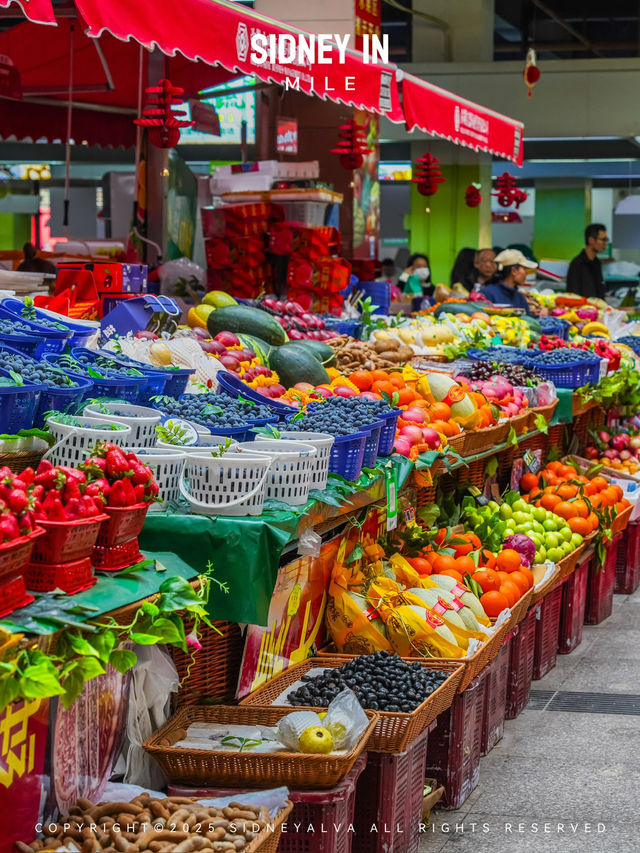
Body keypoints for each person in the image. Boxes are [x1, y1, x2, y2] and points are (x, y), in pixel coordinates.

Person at [480, 249, 537, 314]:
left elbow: (528, 319)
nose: (526, 273)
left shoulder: (520, 298)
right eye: (524, 269)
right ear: (514, 271)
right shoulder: (487, 294)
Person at [566, 223, 607, 299]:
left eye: (606, 240)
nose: (605, 243)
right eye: (603, 240)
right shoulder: (577, 264)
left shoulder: (597, 263)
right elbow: (573, 294)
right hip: (581, 309)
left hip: (597, 309)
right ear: (591, 240)